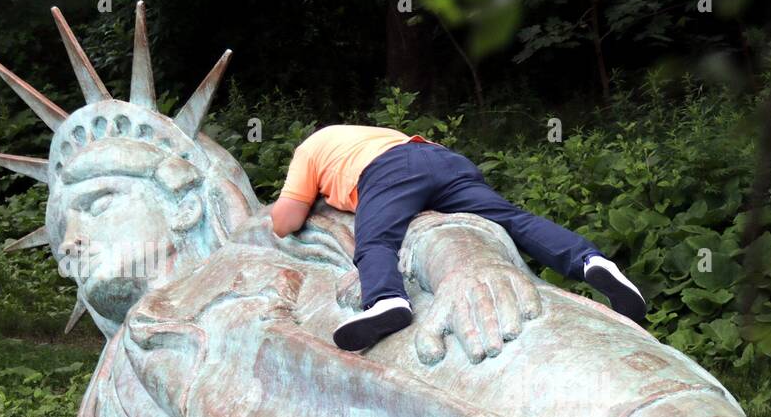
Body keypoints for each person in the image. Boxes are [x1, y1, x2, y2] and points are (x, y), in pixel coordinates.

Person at [270, 125, 648, 350]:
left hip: (387, 170)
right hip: (443, 159)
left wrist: (306, 195)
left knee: (375, 241)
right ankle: (591, 261)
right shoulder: (364, 134)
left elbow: (285, 221)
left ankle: (386, 301)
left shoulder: (310, 149)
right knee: (513, 219)